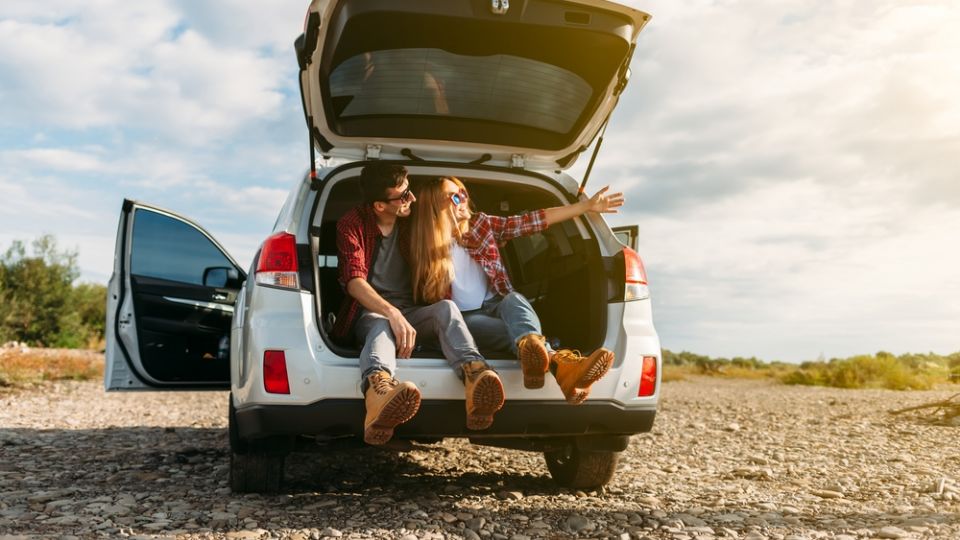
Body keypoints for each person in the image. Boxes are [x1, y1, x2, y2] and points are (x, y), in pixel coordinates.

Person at [409, 176, 625, 404]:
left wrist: (585, 206)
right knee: (511, 332)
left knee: (515, 299)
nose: (463, 199)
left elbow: (530, 221)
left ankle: (537, 353)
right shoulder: (419, 242)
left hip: (495, 304)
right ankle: (561, 366)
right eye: (455, 196)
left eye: (463, 193)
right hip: (461, 320)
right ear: (434, 204)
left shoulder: (481, 225)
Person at [332, 163, 505, 445]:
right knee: (379, 327)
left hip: (414, 310)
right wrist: (392, 313)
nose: (411, 199)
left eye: (410, 191)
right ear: (379, 205)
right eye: (403, 196)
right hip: (371, 311)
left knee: (446, 309)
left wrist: (457, 201)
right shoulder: (352, 224)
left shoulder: (412, 221)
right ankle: (379, 394)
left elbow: (446, 219)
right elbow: (354, 281)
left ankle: (475, 377)